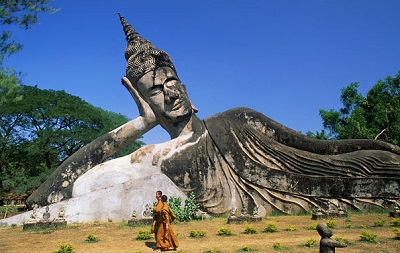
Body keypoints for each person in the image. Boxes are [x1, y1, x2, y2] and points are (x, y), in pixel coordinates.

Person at [26, 13, 400, 217]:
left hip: (331, 177)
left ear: (183, 82)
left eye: (171, 81)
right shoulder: (148, 158)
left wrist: (374, 144)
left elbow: (320, 148)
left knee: (377, 163)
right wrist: (141, 124)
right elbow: (50, 196)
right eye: (155, 90)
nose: (169, 92)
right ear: (142, 98)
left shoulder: (236, 118)